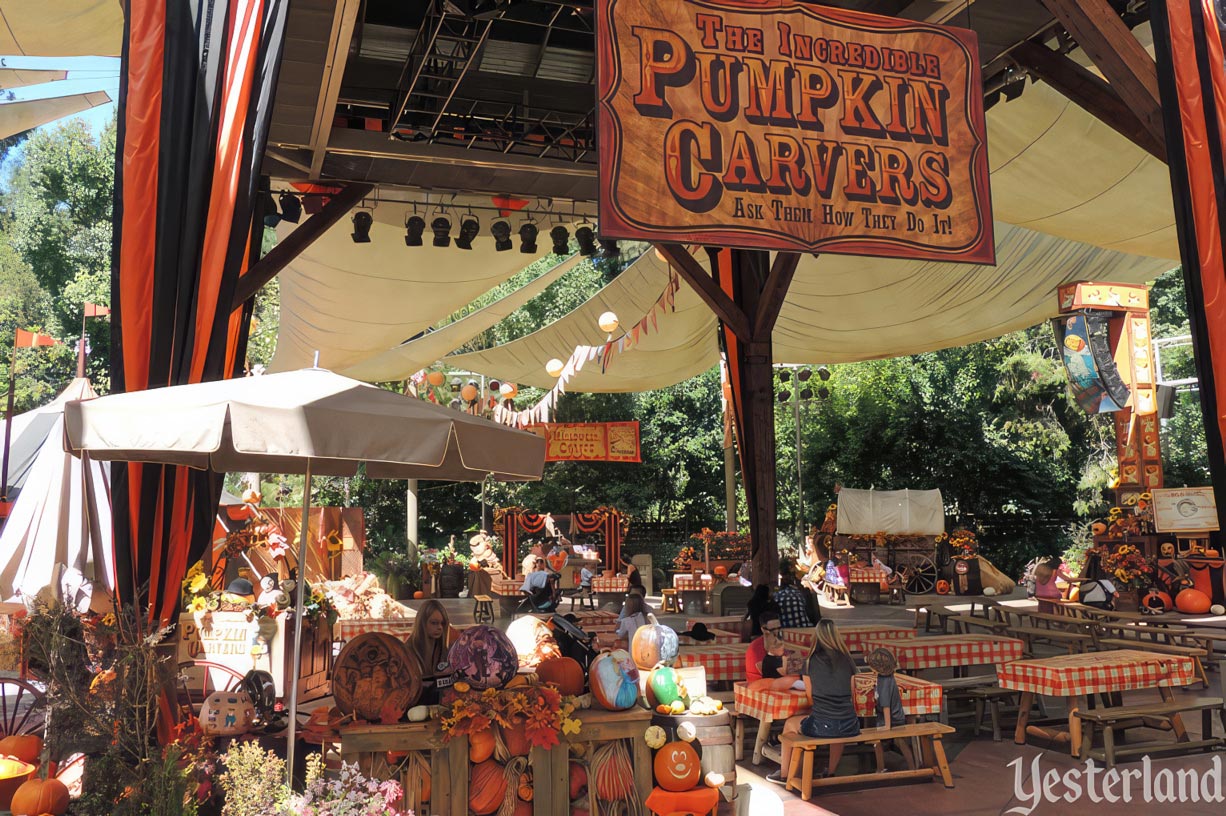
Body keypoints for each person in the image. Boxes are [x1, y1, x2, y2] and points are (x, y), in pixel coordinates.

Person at [769, 619, 859, 784]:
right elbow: (852, 693)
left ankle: (784, 773)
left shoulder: (810, 662)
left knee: (790, 724)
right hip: (850, 724)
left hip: (822, 725)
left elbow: (810, 697)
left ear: (816, 637)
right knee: (837, 726)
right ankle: (831, 772)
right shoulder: (848, 660)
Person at [865, 648, 914, 771]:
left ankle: (880, 767)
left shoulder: (884, 682)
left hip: (890, 719)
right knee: (901, 742)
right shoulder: (889, 677)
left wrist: (887, 726)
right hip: (897, 716)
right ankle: (912, 766)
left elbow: (886, 705)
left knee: (876, 741)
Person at [406, 600, 454, 705]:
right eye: (434, 623)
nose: (440, 627)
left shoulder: (445, 650)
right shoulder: (408, 651)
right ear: (422, 623)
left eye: (442, 623)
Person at [745, 612, 800, 688]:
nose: (777, 632)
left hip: (775, 683)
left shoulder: (780, 642)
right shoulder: (755, 648)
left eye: (779, 628)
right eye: (773, 629)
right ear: (763, 630)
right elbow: (767, 672)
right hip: (759, 685)